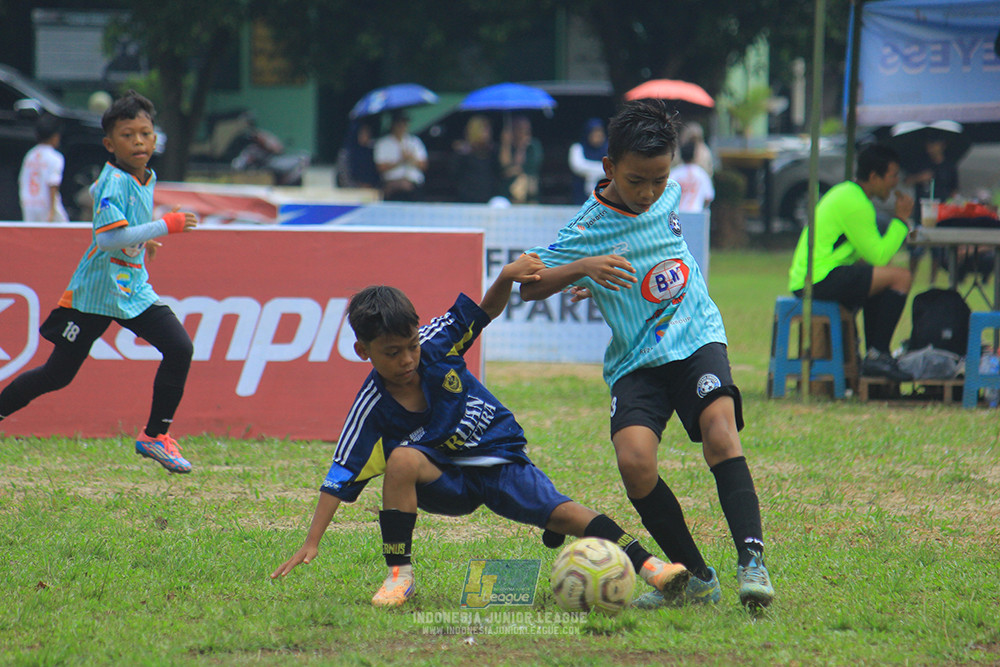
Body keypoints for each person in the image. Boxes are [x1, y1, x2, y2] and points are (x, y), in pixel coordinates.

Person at [270, 254, 690, 608]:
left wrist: (506, 276)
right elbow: (340, 474)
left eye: (411, 346)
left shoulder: (436, 343)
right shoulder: (371, 408)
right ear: (363, 351)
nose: (407, 359)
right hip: (446, 480)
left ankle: (653, 569)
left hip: (498, 455)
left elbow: (484, 312)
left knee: (566, 512)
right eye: (391, 353)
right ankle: (400, 576)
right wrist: (312, 542)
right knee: (401, 459)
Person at [519, 99, 773, 609]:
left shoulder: (669, 192)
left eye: (660, 179)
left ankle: (752, 561)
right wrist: (585, 268)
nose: (651, 192)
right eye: (638, 181)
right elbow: (530, 286)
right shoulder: (587, 228)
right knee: (635, 461)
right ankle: (697, 578)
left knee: (720, 433)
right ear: (609, 167)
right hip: (637, 359)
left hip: (695, 333)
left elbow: (660, 251)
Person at [0, 91, 198, 473]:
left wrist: (144, 239)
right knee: (56, 375)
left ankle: (155, 436)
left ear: (156, 138)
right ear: (110, 144)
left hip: (130, 288)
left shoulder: (145, 175)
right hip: (94, 293)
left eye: (145, 133)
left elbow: (113, 215)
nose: (138, 141)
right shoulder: (114, 179)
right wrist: (165, 226)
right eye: (127, 135)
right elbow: (106, 238)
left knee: (179, 347)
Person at [788, 143, 915, 381]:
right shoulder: (855, 203)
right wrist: (901, 220)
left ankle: (877, 355)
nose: (896, 182)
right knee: (901, 277)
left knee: (877, 279)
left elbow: (870, 256)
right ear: (874, 176)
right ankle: (877, 354)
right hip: (818, 278)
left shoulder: (847, 193)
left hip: (811, 276)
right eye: (893, 175)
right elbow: (880, 255)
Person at [905, 137, 960, 281]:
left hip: (941, 214)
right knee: (916, 249)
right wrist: (920, 178)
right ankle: (911, 278)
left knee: (937, 252)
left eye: (934, 144)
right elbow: (907, 181)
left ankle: (932, 281)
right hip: (921, 214)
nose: (931, 147)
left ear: (942, 144)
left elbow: (954, 190)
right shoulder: (921, 163)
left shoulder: (949, 166)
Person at [18, 113, 69, 223]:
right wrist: (52, 212)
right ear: (55, 137)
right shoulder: (55, 158)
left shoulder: (30, 155)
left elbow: (22, 181)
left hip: (30, 206)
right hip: (46, 207)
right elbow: (53, 184)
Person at [373, 111, 428, 201]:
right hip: (392, 185)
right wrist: (400, 161)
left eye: (405, 124)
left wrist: (411, 159)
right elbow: (381, 167)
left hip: (413, 185)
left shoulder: (414, 142)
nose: (402, 127)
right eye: (400, 124)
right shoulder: (383, 143)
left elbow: (424, 165)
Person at [452, 114, 500, 204]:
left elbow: (500, 171)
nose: (488, 132)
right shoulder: (463, 152)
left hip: (489, 198)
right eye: (485, 129)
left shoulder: (494, 151)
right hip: (468, 198)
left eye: (488, 129)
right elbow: (454, 173)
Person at [498, 115, 543, 204]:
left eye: (525, 129)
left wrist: (522, 148)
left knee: (521, 182)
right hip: (508, 190)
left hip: (529, 187)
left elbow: (529, 168)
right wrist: (505, 144)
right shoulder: (507, 146)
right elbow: (504, 167)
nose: (523, 132)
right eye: (519, 128)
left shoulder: (533, 146)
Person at [568, 118, 608, 205]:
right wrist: (600, 169)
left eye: (599, 132)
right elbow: (578, 166)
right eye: (594, 132)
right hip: (580, 195)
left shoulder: (609, 150)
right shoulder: (577, 148)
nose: (597, 135)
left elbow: (613, 168)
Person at [671, 140, 715, 213]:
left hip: (676, 215)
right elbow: (708, 197)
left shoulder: (674, 173)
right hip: (696, 214)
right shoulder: (701, 173)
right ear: (694, 155)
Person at [336, 119, 379, 189]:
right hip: (351, 191)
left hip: (371, 190)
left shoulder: (372, 151)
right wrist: (359, 186)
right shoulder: (346, 154)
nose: (366, 136)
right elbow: (344, 177)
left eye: (367, 133)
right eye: (362, 133)